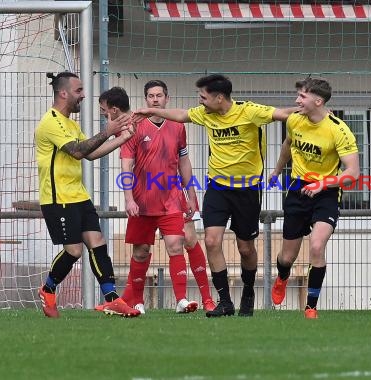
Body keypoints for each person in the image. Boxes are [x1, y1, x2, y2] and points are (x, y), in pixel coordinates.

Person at [133, 74, 296, 317]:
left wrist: (315, 111)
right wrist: (148, 112)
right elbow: (181, 115)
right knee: (211, 241)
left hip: (248, 189)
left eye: (204, 97)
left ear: (219, 97)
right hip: (217, 187)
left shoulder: (249, 111)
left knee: (245, 248)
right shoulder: (205, 114)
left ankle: (248, 292)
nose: (201, 102)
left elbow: (284, 114)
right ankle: (225, 302)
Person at [35, 72, 140, 318]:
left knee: (98, 245)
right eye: (79, 91)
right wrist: (108, 129)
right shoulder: (51, 122)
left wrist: (123, 137)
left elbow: (91, 153)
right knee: (74, 251)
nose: (83, 95)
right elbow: (78, 151)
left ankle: (112, 299)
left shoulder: (70, 123)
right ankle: (48, 289)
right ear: (63, 93)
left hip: (78, 196)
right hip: (58, 199)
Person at [114, 81, 216, 314]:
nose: (155, 99)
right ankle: (136, 302)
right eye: (151, 96)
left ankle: (186, 300)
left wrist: (191, 194)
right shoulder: (133, 126)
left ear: (166, 99)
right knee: (140, 251)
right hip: (142, 201)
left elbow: (183, 161)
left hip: (172, 197)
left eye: (159, 95)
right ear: (146, 99)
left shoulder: (178, 126)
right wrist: (129, 199)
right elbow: (126, 166)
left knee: (178, 243)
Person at [268, 78, 360, 319]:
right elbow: (288, 144)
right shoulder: (295, 120)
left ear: (318, 101)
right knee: (287, 257)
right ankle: (283, 276)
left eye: (302, 96)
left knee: (317, 246)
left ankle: (311, 306)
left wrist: (323, 184)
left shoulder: (339, 130)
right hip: (298, 189)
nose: (297, 101)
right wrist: (277, 171)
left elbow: (353, 173)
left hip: (327, 192)